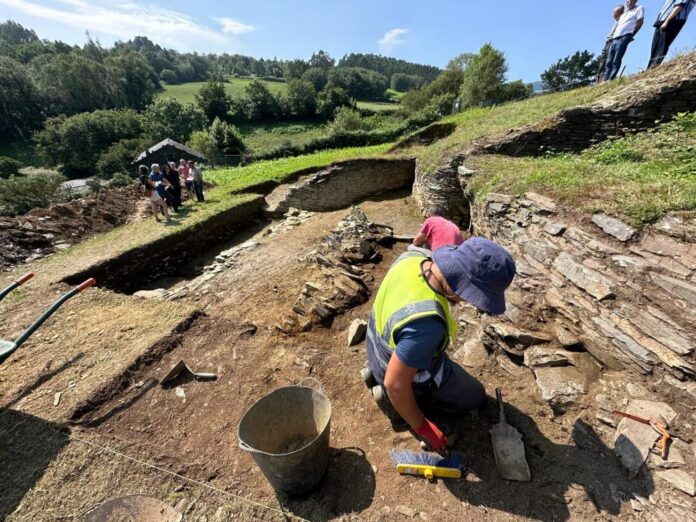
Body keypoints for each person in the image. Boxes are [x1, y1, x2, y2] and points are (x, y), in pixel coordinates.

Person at [365, 237, 516, 453]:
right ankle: (398, 405)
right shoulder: (427, 326)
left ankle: (391, 385)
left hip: (377, 347)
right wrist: (424, 428)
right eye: (474, 296)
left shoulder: (412, 258)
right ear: (462, 284)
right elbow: (395, 383)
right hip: (394, 372)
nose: (470, 301)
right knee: (475, 396)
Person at [604, 0, 645, 81]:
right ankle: (606, 79)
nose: (628, 3)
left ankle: (611, 79)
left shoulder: (639, 8)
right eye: (627, 1)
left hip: (625, 36)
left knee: (617, 58)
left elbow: (640, 22)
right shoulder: (624, 14)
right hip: (615, 38)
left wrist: (631, 35)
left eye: (630, 1)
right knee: (609, 60)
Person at [647, 0, 695, 68]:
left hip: (674, 19)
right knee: (655, 47)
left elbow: (679, 6)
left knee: (662, 46)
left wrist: (667, 21)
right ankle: (649, 68)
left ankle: (654, 66)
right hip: (662, 18)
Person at [597, 5, 626, 82]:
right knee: (603, 61)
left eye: (614, 12)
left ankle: (607, 79)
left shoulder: (622, 21)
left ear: (619, 12)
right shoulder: (616, 22)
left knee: (609, 61)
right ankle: (599, 80)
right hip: (608, 42)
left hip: (613, 41)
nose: (612, 13)